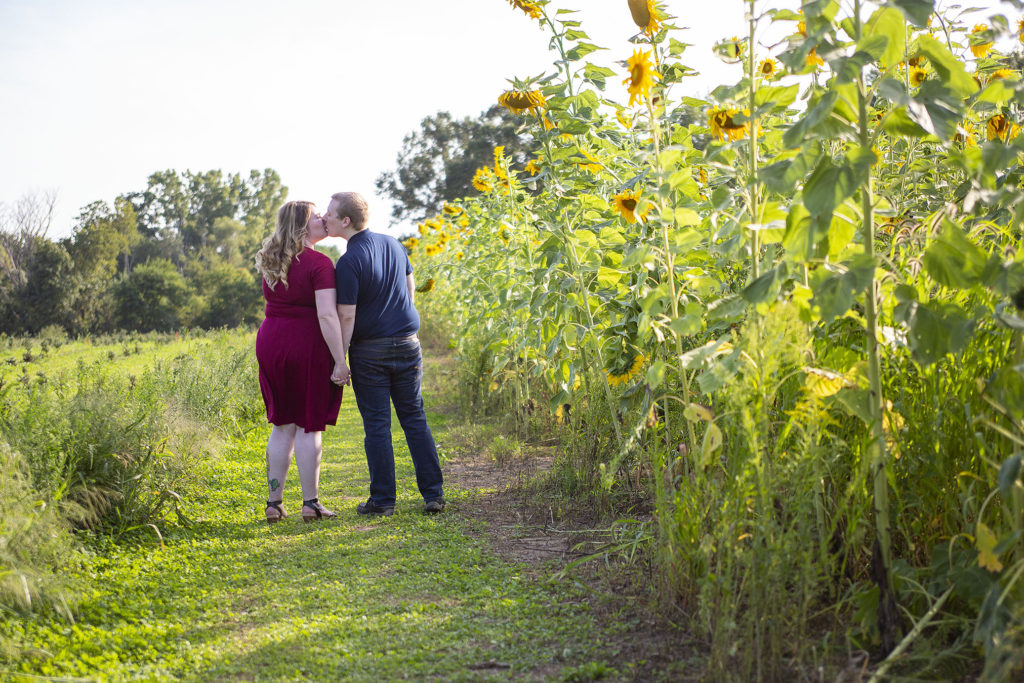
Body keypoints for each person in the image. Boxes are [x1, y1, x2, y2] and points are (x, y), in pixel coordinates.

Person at [324, 191, 445, 516]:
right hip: (408, 342)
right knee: (414, 417)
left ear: (345, 221)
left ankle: (383, 500)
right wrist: (402, 320)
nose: (325, 217)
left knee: (377, 424)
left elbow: (346, 316)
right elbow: (409, 288)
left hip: (370, 350)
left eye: (330, 213)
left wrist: (340, 359)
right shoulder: (393, 243)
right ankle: (434, 495)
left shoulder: (348, 262)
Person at [254, 200, 348, 524]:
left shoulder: (271, 260)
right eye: (317, 216)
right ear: (304, 226)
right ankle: (311, 503)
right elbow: (326, 314)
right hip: (306, 345)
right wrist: (340, 360)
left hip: (270, 342)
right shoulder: (319, 264)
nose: (324, 219)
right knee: (309, 423)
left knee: (283, 425)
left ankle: (274, 502)